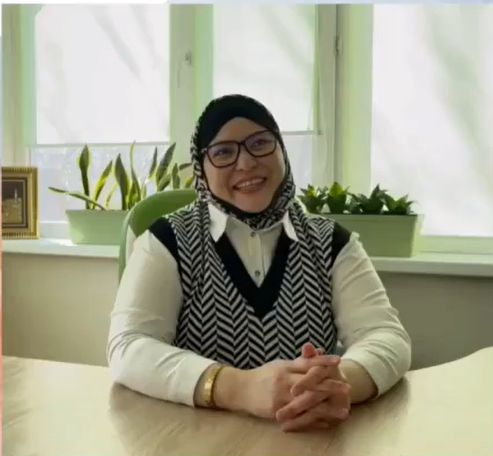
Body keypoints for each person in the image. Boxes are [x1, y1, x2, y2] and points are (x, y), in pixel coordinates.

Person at [107, 94, 412, 432]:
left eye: (260, 143)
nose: (246, 163)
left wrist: (337, 385)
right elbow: (127, 346)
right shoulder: (166, 241)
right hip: (196, 438)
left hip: (308, 437)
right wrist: (238, 388)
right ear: (201, 167)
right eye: (223, 152)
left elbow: (386, 335)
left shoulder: (332, 242)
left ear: (281, 149)